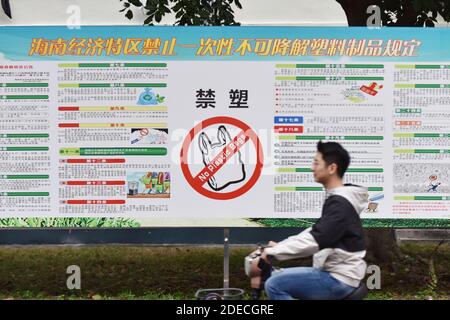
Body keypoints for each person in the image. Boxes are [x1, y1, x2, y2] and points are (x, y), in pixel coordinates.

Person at [261, 141, 369, 300]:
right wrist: (281, 246)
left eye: (316, 163)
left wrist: (272, 252)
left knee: (274, 284)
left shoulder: (340, 204)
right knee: (277, 275)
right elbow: (315, 231)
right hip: (335, 272)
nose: (312, 168)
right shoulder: (338, 199)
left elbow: (315, 239)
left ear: (332, 168)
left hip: (339, 278)